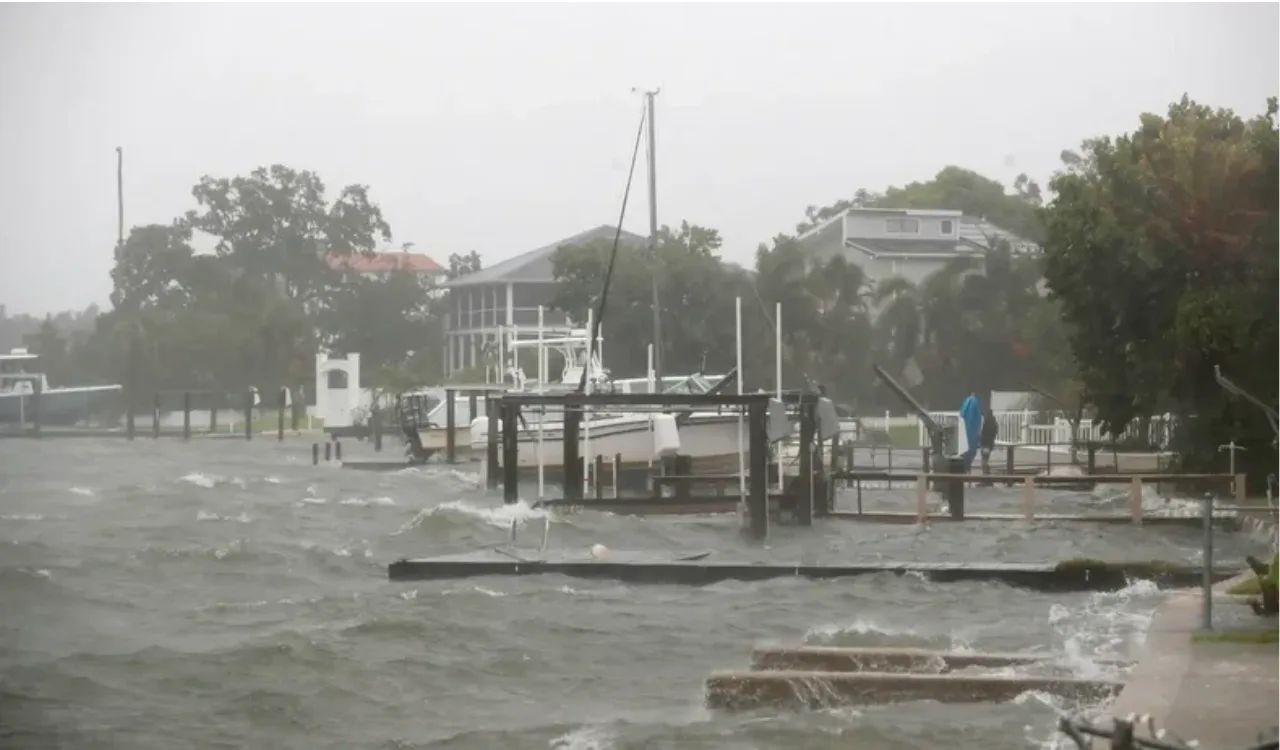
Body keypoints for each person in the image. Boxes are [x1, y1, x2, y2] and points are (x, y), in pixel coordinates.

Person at [979, 407, 998, 475]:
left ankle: (986, 477)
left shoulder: (986, 422)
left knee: (984, 461)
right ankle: (986, 477)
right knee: (985, 460)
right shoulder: (994, 422)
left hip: (985, 444)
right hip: (989, 444)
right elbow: (995, 432)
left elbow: (983, 433)